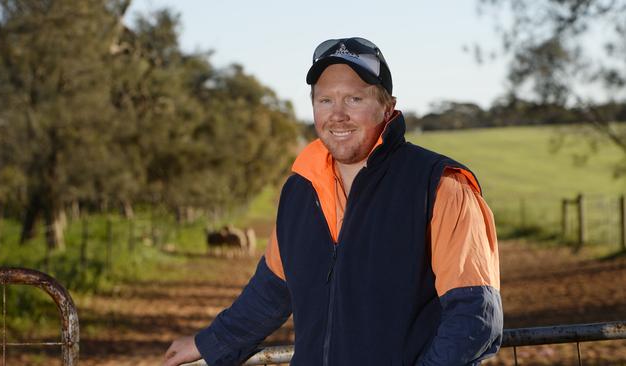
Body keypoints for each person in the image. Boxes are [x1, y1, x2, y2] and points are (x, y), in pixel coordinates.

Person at [164, 37, 503, 366]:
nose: (337, 115)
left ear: (387, 106)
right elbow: (271, 292)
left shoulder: (440, 186)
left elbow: (473, 319)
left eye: (354, 99)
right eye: (325, 100)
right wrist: (208, 343)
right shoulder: (300, 190)